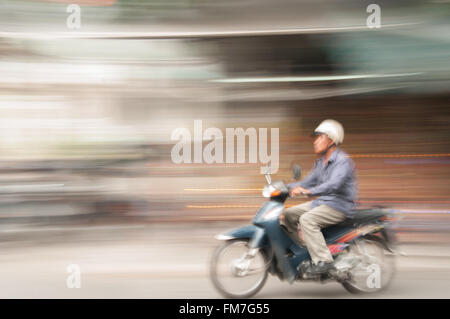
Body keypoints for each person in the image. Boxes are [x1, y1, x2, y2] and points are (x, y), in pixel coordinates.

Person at [283, 119, 358, 275]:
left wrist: (307, 192)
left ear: (331, 140)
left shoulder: (342, 161)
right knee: (289, 214)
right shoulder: (320, 163)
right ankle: (301, 250)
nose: (315, 142)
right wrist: (283, 187)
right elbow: (307, 182)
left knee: (307, 220)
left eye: (319, 137)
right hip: (322, 203)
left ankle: (324, 261)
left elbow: (333, 185)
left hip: (339, 206)